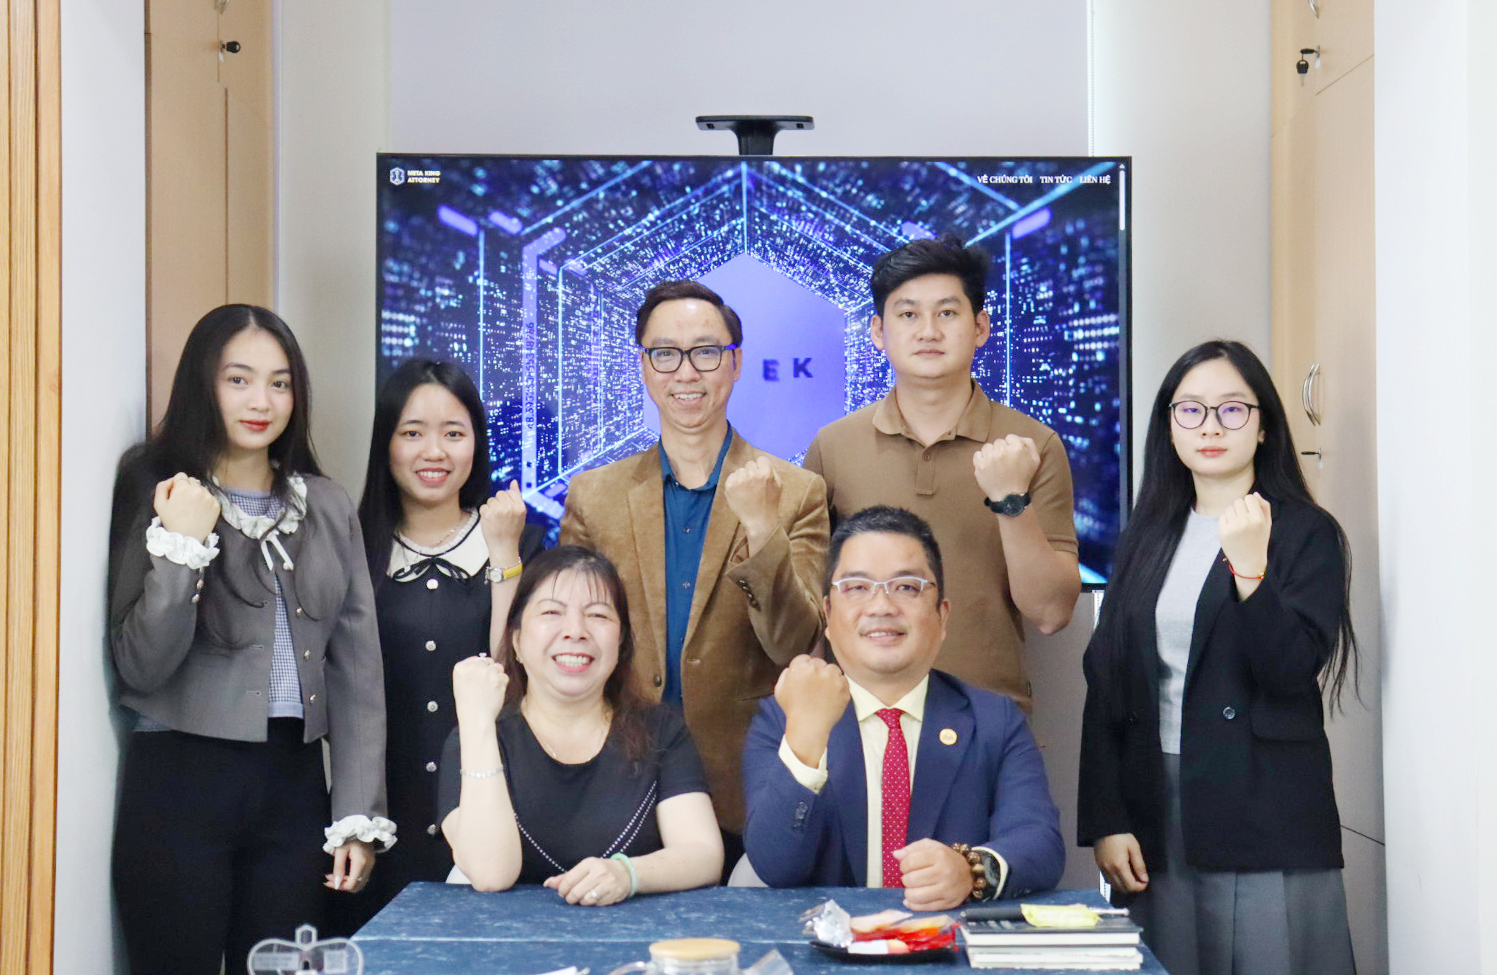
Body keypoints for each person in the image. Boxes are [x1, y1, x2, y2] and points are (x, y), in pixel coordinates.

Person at [108, 304, 393, 975]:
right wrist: (182, 545)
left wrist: (357, 815)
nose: (261, 401)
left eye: (279, 382)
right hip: (178, 776)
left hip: (293, 785)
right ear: (202, 384)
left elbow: (357, 673)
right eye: (238, 379)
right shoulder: (158, 489)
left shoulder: (326, 505)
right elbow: (141, 665)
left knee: (282, 966)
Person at [1077, 340, 1358, 975]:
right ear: (1169, 425)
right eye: (1191, 410)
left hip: (1263, 807)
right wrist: (1107, 817)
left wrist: (1251, 570)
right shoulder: (1148, 534)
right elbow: (1108, 681)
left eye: (1232, 409)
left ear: (1263, 427)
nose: (1210, 426)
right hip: (1156, 802)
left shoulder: (1306, 532)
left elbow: (1288, 672)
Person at [559, 280, 829, 861]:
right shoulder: (594, 495)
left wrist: (763, 528)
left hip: (743, 787)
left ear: (735, 364)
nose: (686, 372)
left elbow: (795, 645)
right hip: (616, 781)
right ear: (643, 366)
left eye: (706, 352)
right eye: (665, 353)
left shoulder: (797, 492)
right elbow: (567, 641)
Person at [804, 235, 1080, 711]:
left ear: (980, 327)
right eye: (908, 314)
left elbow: (1051, 613)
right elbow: (812, 608)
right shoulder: (833, 447)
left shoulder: (1033, 446)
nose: (928, 331)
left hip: (989, 723)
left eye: (947, 313)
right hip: (858, 722)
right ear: (878, 331)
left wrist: (1011, 501)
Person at [742, 506, 1064, 910]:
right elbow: (776, 865)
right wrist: (807, 735)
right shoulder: (783, 717)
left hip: (948, 939)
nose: (881, 606)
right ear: (827, 614)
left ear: (942, 616)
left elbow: (1040, 842)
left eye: (907, 587)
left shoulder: (993, 720)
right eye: (857, 587)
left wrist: (971, 870)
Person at [329, 358, 545, 931]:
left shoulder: (521, 541)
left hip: (492, 816)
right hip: (380, 825)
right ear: (386, 443)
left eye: (453, 433)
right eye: (412, 433)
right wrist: (354, 820)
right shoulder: (352, 549)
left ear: (476, 443)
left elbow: (516, 679)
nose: (434, 452)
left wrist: (505, 556)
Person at [438, 545, 724, 901]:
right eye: (551, 612)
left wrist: (628, 874)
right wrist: (478, 721)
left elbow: (703, 854)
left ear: (621, 641)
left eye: (598, 615)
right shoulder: (474, 738)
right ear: (517, 641)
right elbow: (491, 874)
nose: (575, 631)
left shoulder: (662, 730)